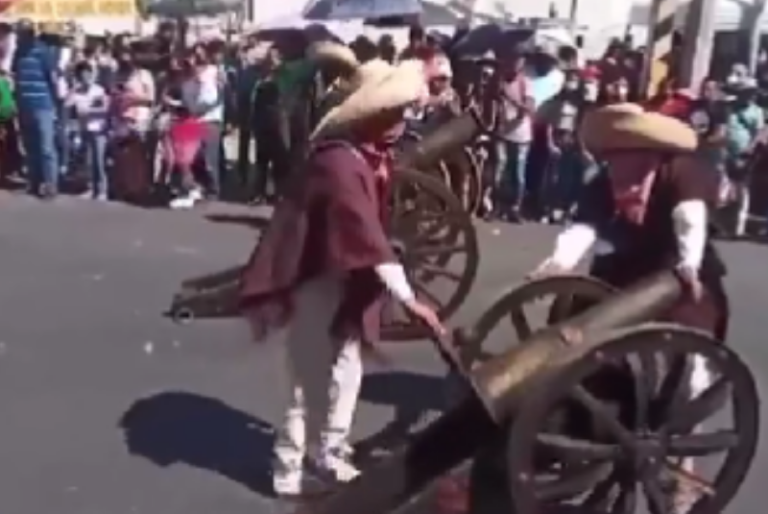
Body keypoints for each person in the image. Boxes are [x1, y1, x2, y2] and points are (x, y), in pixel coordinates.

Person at [238, 59, 444, 496]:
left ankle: (330, 452)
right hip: (314, 272)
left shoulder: (371, 157)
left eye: (402, 112)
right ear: (367, 116)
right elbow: (364, 232)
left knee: (348, 364)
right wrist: (410, 299)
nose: (400, 122)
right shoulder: (337, 164)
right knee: (309, 370)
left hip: (348, 273)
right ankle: (288, 467)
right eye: (392, 113)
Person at [532, 104, 727, 513]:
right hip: (620, 275)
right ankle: (580, 429)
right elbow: (584, 226)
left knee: (689, 369)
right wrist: (560, 262)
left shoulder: (683, 171)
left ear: (650, 154)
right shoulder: (601, 180)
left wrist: (688, 263)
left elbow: (689, 216)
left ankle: (682, 467)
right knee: (581, 340)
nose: (619, 173)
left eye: (628, 163)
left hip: (680, 280)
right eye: (613, 161)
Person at [12, 20, 60, 199]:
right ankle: (34, 181)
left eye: (23, 33)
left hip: (43, 105)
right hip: (25, 105)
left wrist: (54, 105)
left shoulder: (43, 52)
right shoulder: (19, 53)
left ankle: (50, 184)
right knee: (31, 146)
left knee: (46, 147)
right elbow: (16, 76)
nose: (20, 36)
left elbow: (52, 80)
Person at [66, 61, 110, 200]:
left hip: (98, 129)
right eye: (82, 75)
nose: (85, 77)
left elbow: (105, 108)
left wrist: (88, 111)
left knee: (98, 160)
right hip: (84, 129)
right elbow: (67, 103)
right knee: (88, 161)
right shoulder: (77, 91)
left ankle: (102, 190)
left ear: (91, 74)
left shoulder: (98, 90)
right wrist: (73, 89)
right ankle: (90, 188)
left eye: (87, 74)